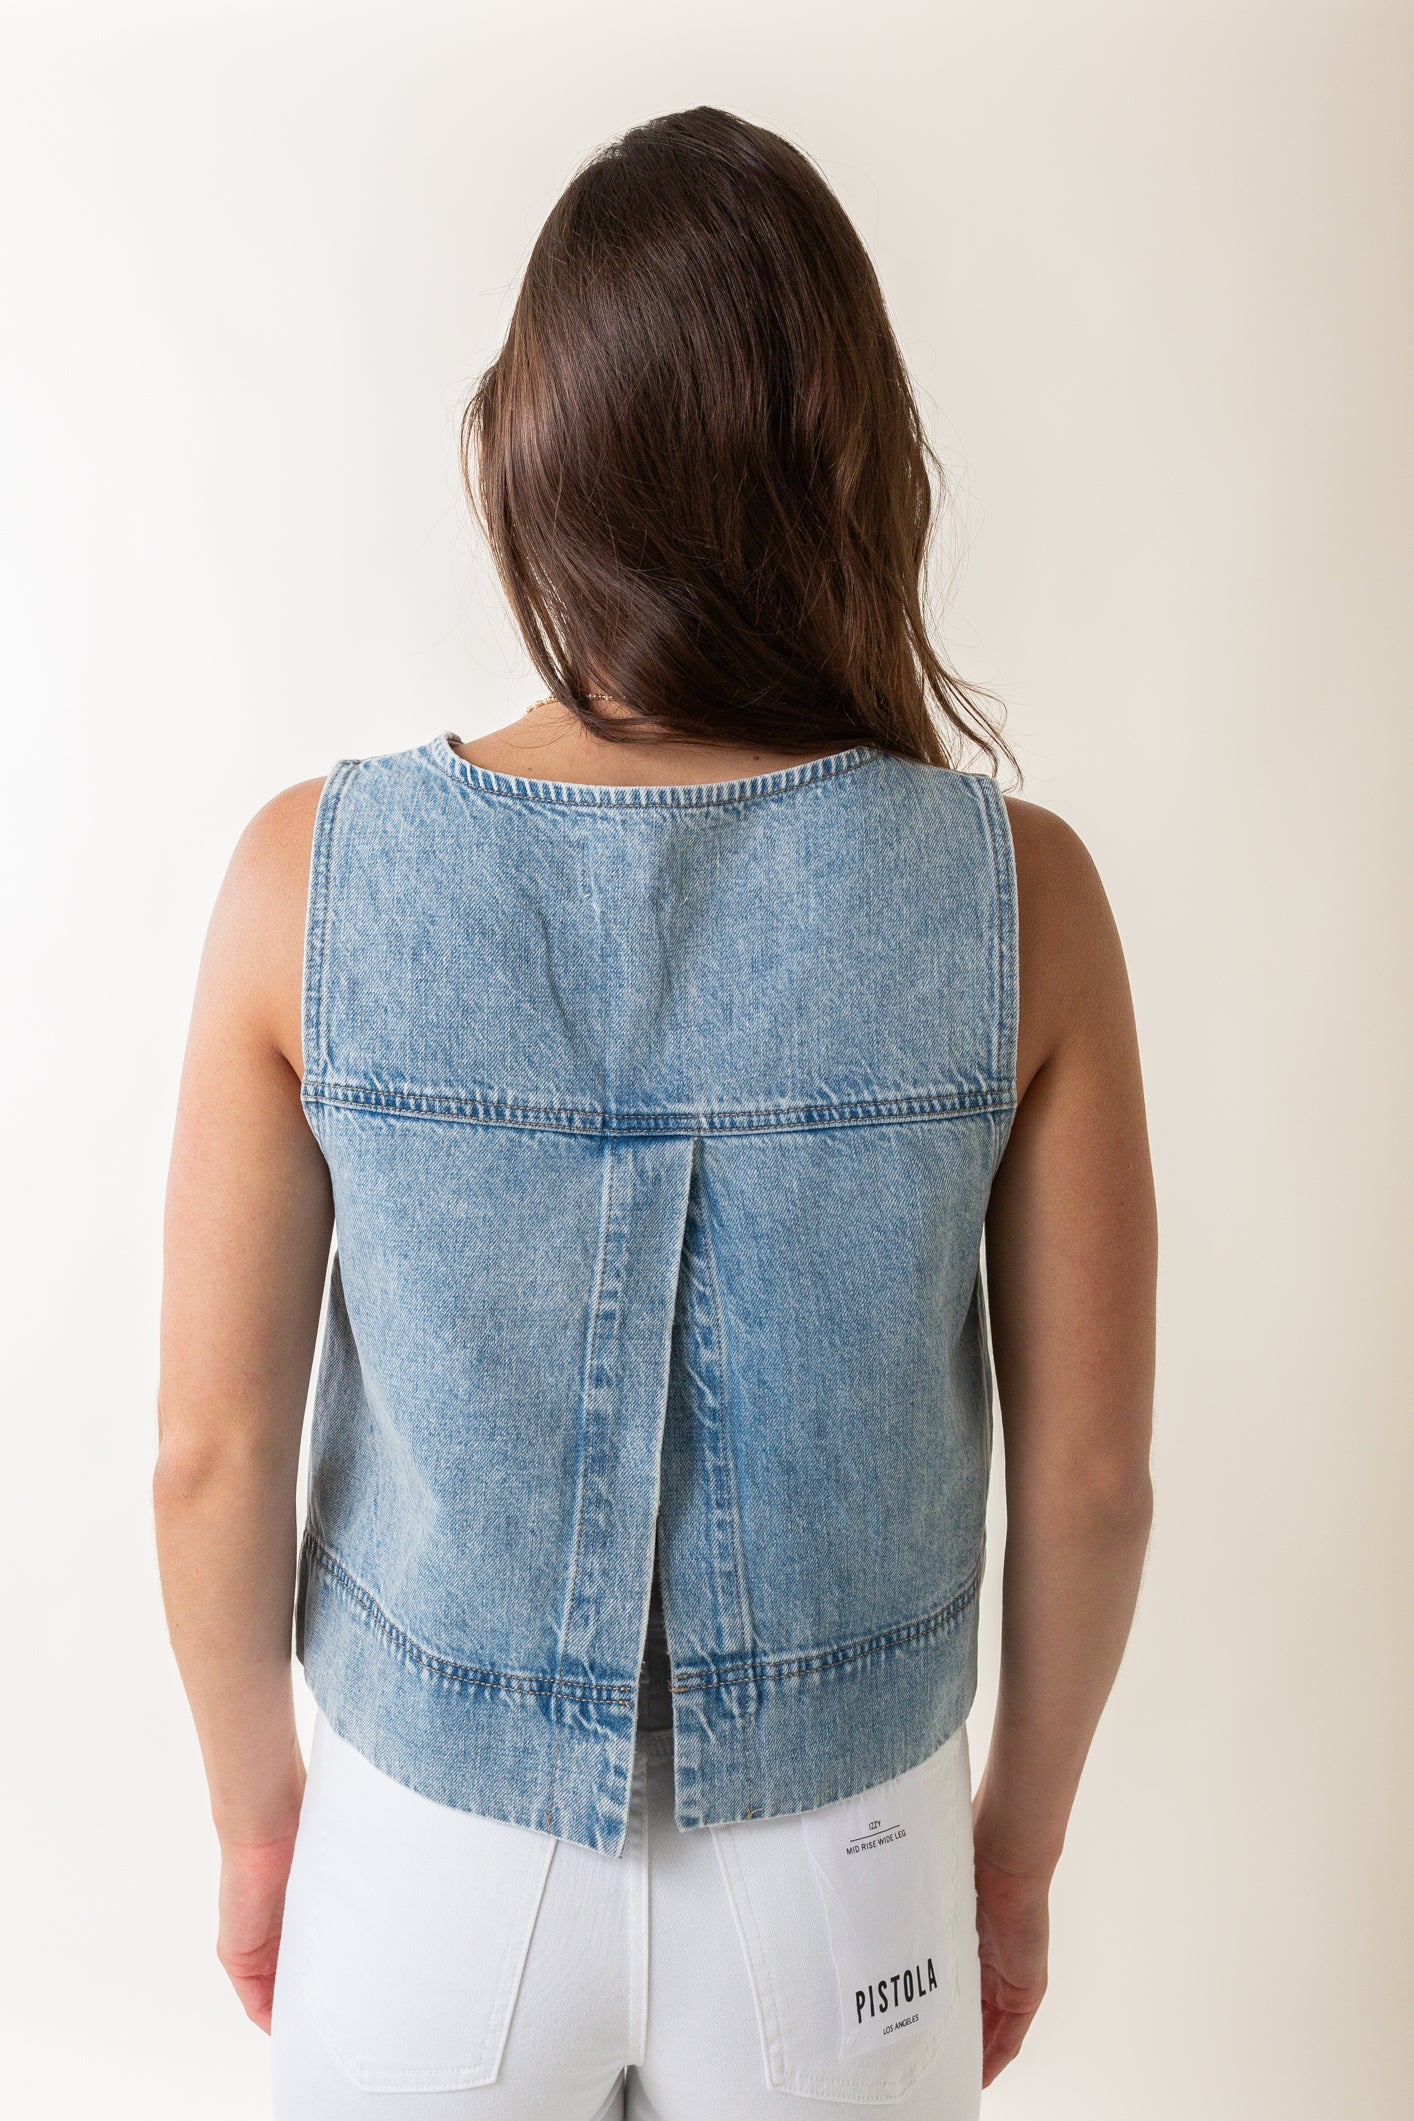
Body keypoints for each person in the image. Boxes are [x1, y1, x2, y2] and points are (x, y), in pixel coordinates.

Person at [153, 106, 1155, 2120]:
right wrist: (1012, 1852)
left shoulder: (307, 878)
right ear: (851, 466)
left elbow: (207, 1454)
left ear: (531, 458)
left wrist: (263, 1823)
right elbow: (1090, 1479)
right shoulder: (1015, 898)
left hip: (427, 1855)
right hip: (845, 1863)